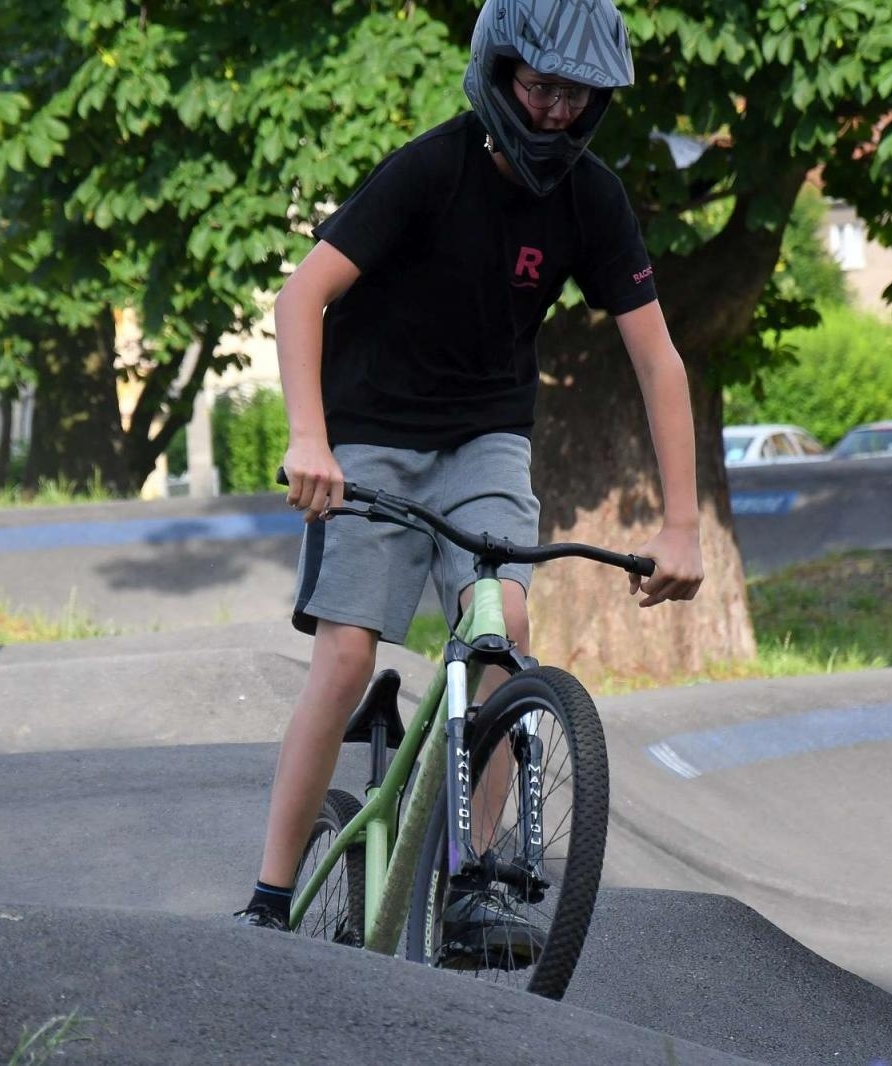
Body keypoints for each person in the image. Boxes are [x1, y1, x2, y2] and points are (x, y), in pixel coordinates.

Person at [233, 0, 705, 952]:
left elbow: (658, 360)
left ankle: (475, 881)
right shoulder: (430, 169)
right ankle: (270, 895)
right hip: (368, 435)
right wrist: (309, 438)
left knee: (503, 629)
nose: (558, 111)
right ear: (498, 72)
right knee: (347, 656)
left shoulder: (592, 199)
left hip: (486, 437)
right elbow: (299, 298)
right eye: (542, 88)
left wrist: (683, 526)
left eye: (578, 95)